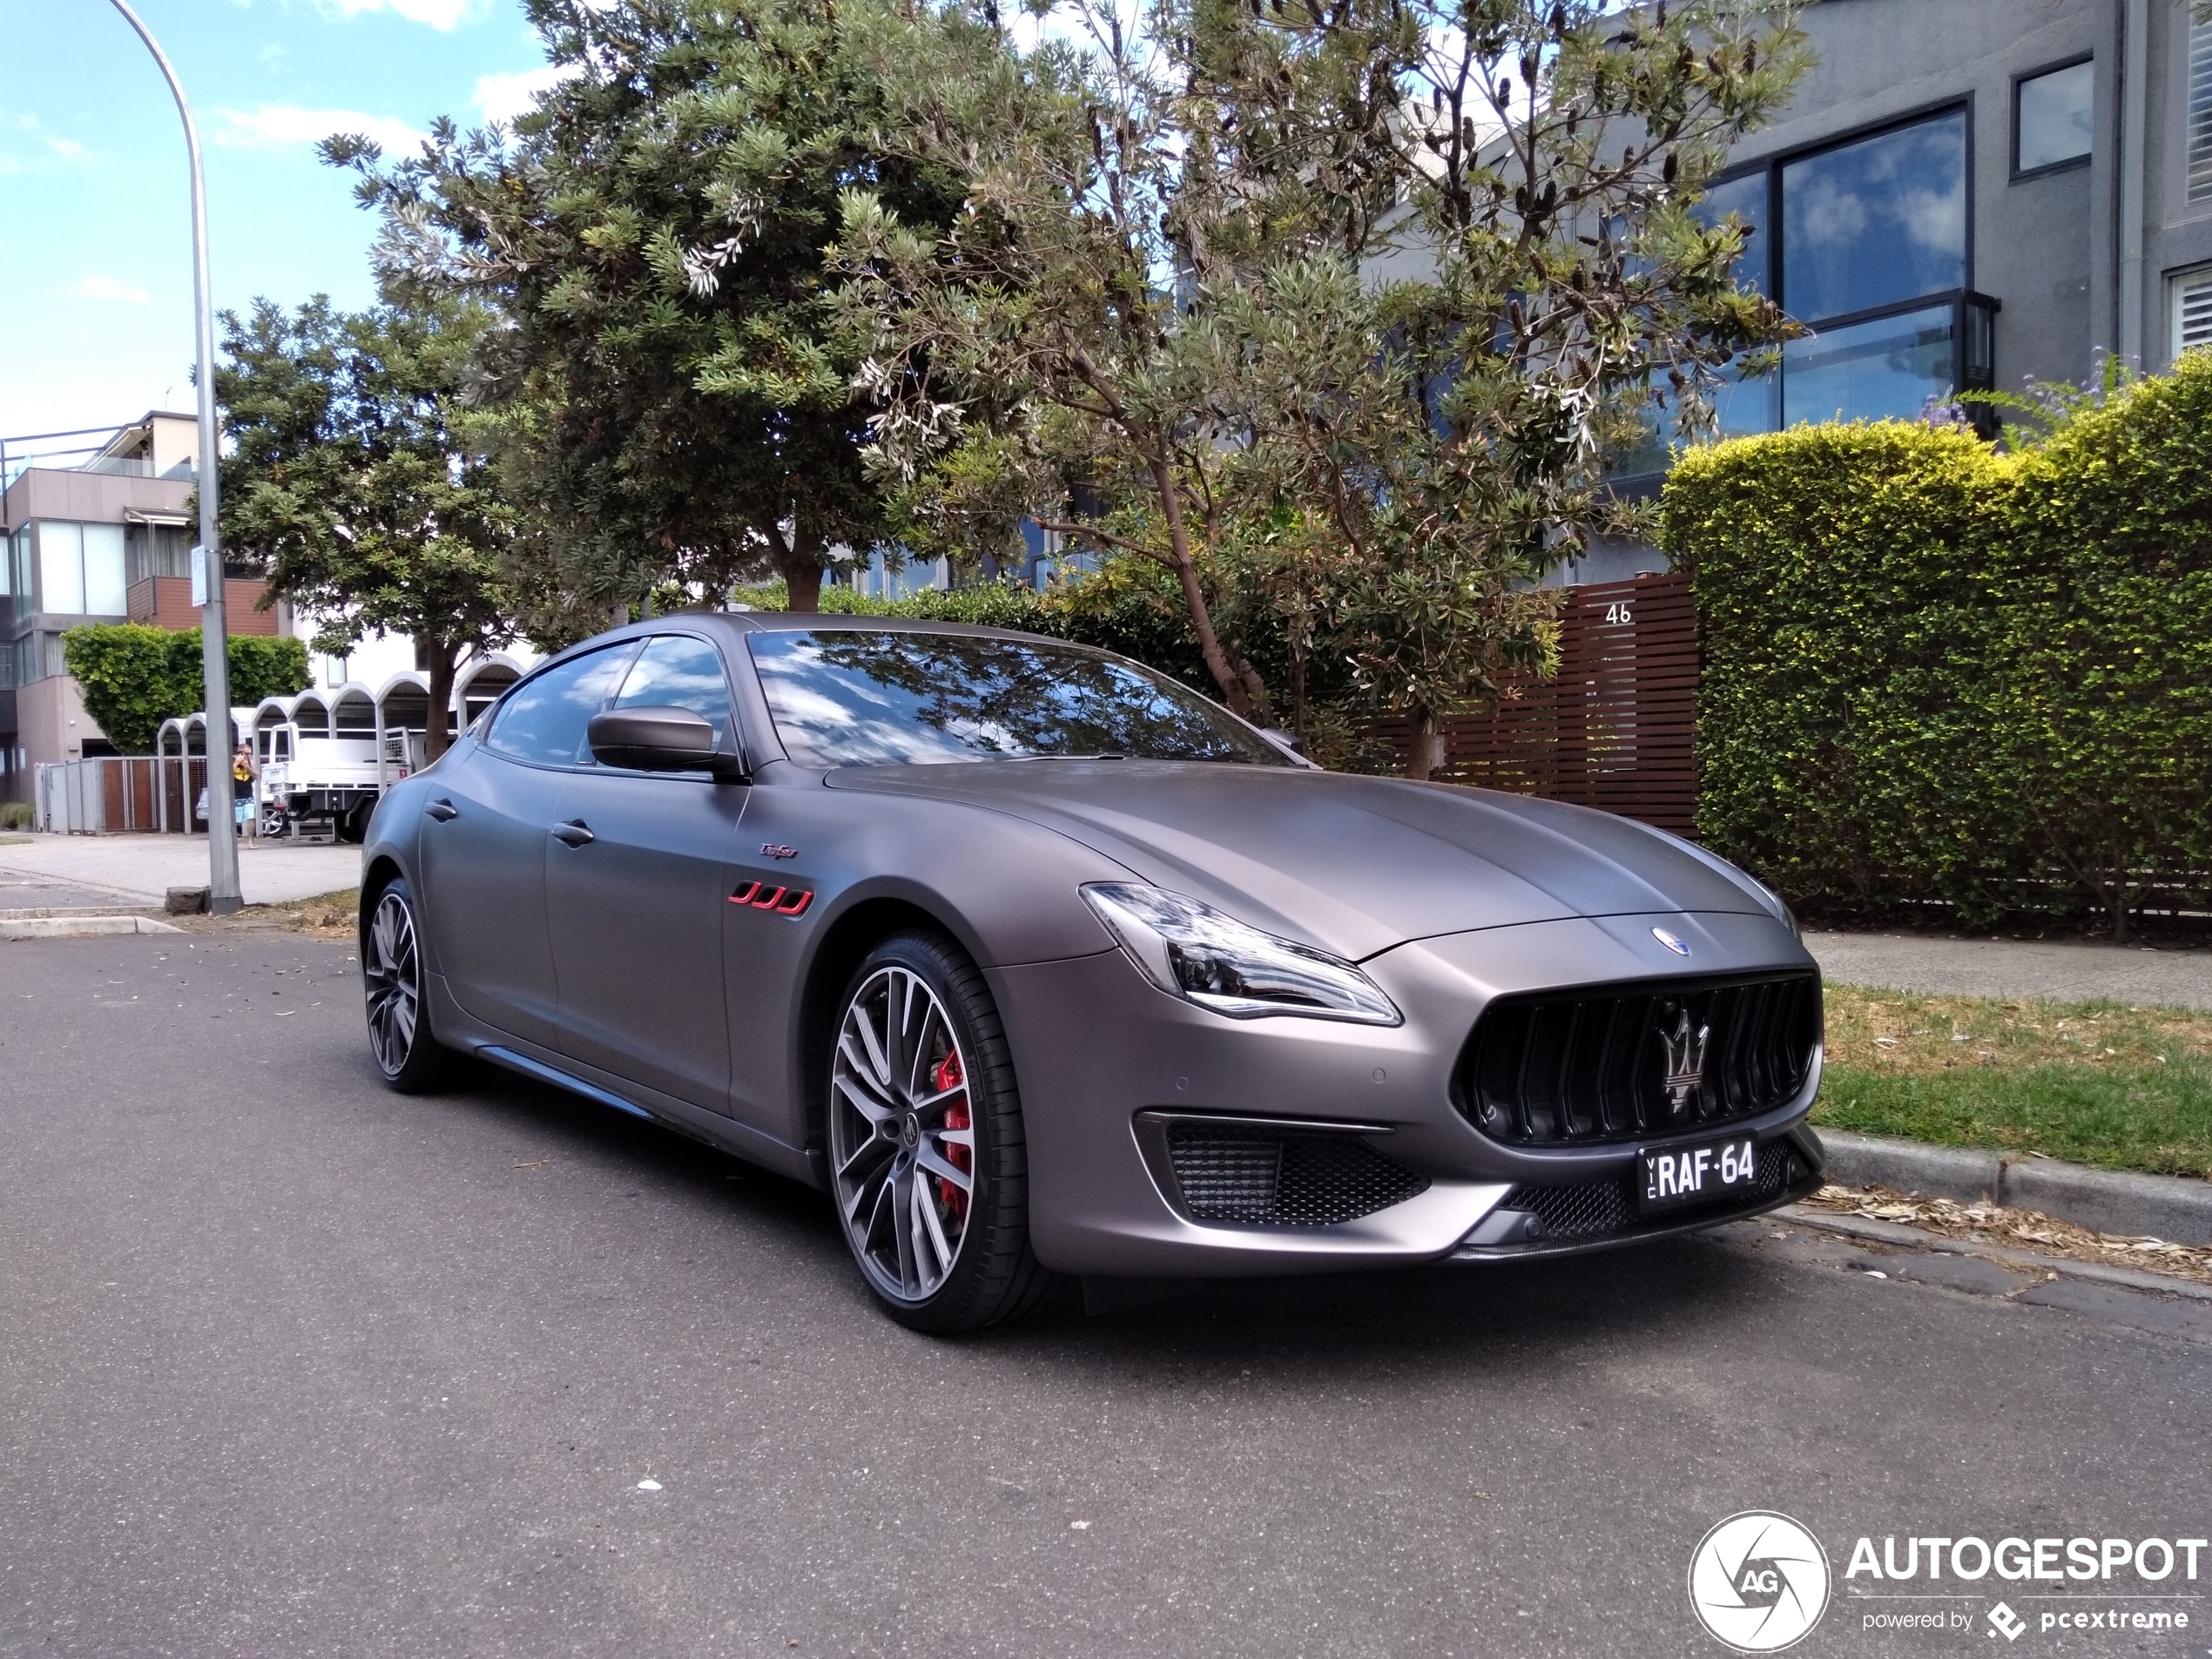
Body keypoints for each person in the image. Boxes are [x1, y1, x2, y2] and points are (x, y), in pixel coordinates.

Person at [232, 740, 258, 846]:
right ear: (239, 753)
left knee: (250, 817)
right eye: (246, 753)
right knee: (232, 819)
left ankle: (251, 841)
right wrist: (236, 764)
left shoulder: (250, 762)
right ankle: (231, 841)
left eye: (249, 753)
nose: (248, 755)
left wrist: (247, 766)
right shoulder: (232, 760)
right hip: (234, 795)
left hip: (248, 794)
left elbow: (256, 776)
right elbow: (226, 776)